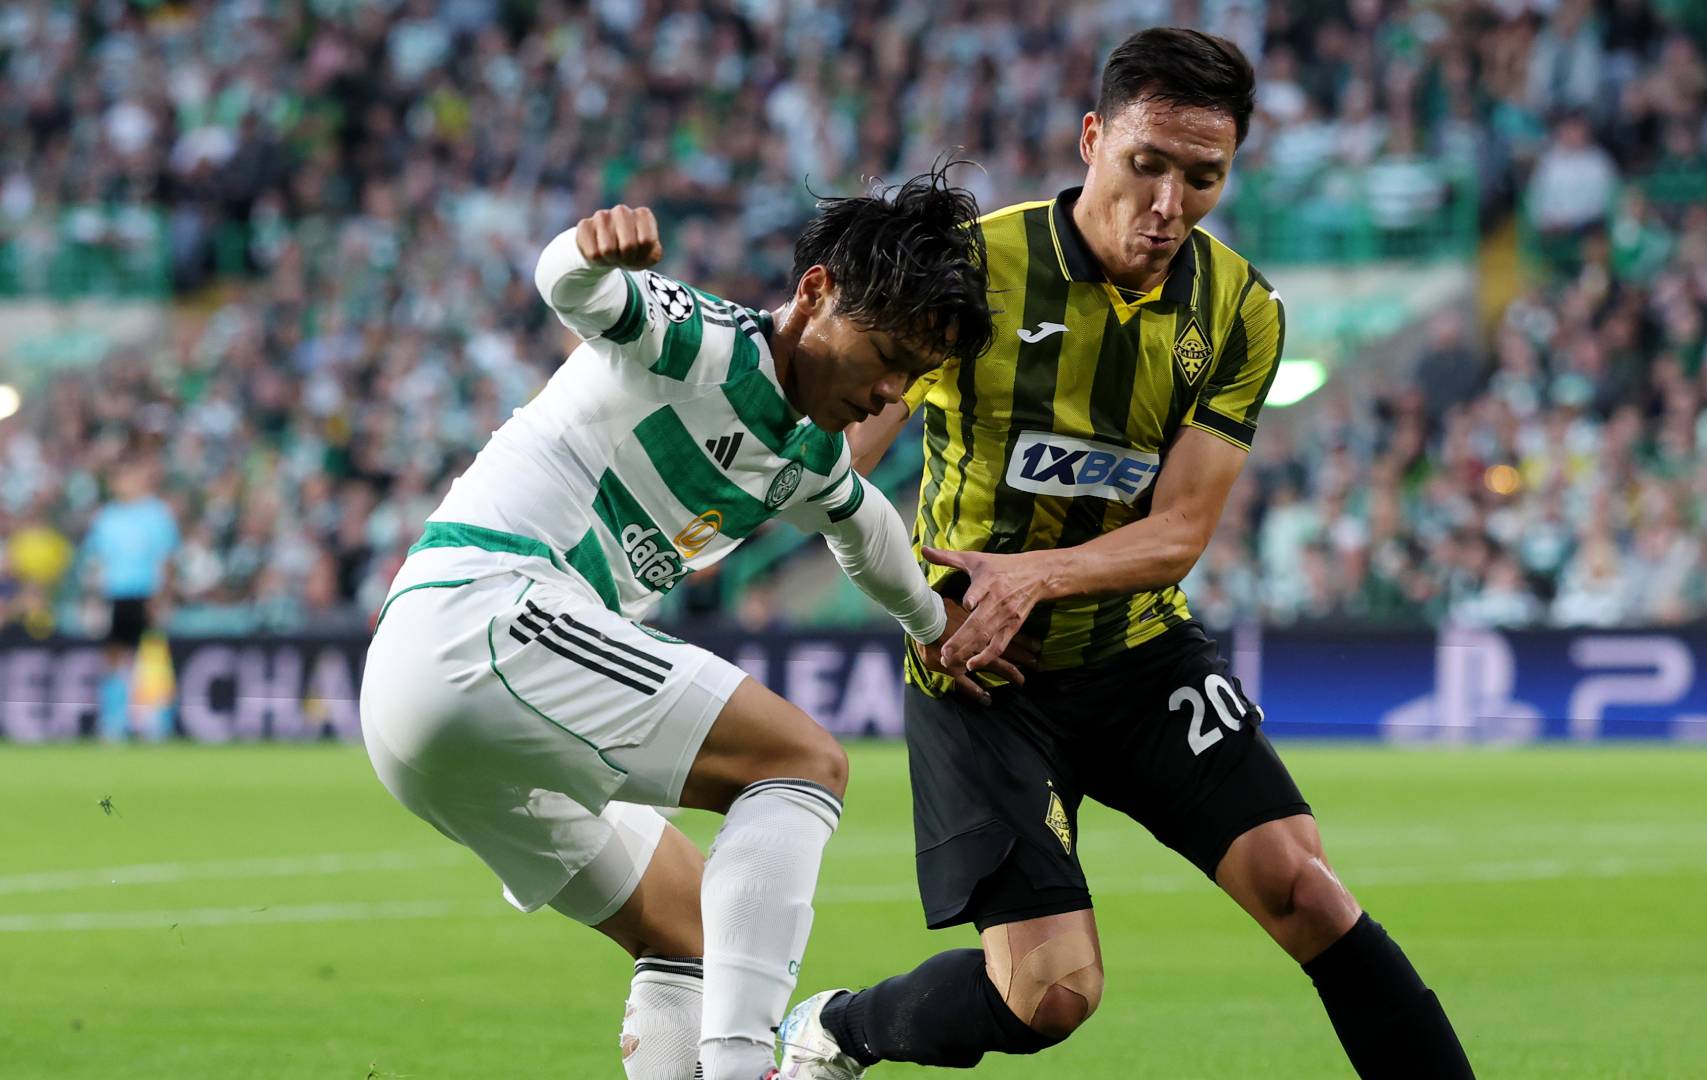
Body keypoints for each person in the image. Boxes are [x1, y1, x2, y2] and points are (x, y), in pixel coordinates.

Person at [777, 29, 1475, 1079]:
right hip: (982, 674)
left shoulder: (1242, 312)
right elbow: (844, 457)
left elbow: (1181, 533)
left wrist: (1036, 576)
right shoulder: (975, 269)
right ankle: (838, 1029)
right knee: (1049, 995)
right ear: (1092, 139)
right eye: (1147, 164)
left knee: (1305, 889)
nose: (1169, 204)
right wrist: (906, 585)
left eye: (1203, 177)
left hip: (1140, 655)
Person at [358, 167, 1001, 1080]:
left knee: (693, 927)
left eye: (915, 377)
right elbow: (572, 288)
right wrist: (588, 249)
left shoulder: (810, 454)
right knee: (801, 762)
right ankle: (746, 1068)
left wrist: (932, 620)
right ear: (815, 292)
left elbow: (867, 532)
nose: (891, 391)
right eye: (886, 354)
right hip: (484, 614)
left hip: (433, 716)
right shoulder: (705, 339)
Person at [80, 458, 180, 739]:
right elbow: (96, 561)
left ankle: (155, 721)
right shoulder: (106, 517)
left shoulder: (157, 514)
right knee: (114, 656)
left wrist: (163, 597)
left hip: (146, 594)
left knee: (151, 657)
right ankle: (114, 721)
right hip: (114, 594)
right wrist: (93, 599)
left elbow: (167, 560)